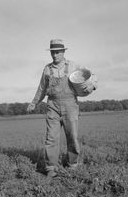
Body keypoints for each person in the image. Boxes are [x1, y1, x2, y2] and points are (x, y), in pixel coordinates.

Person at [27, 39, 97, 178]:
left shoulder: (73, 65)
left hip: (70, 105)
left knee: (72, 137)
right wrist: (34, 102)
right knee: (51, 138)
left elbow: (91, 76)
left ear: (63, 52)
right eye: (53, 52)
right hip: (52, 105)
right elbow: (41, 88)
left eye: (58, 52)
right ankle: (51, 168)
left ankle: (73, 165)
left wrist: (92, 86)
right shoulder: (47, 69)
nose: (55, 55)